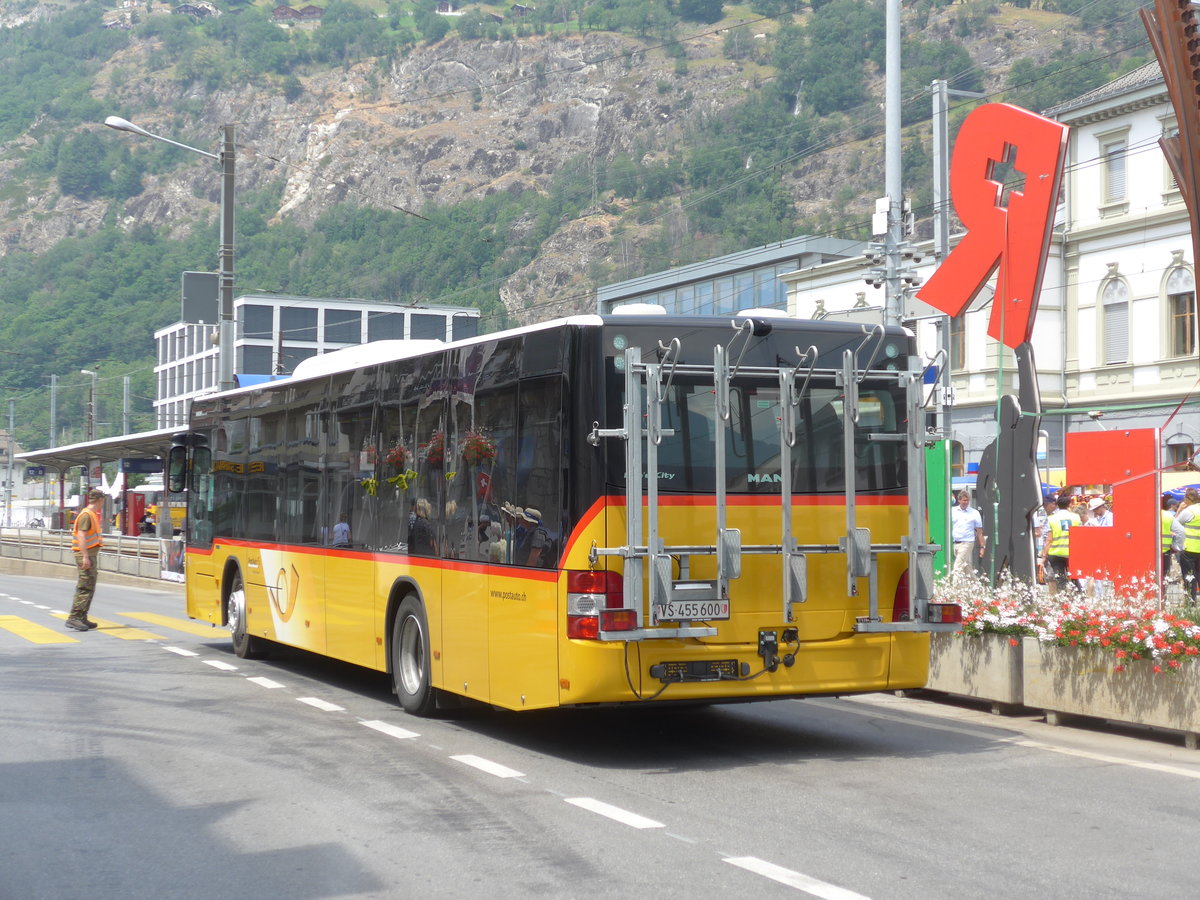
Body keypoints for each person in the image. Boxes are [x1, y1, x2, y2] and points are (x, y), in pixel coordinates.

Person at [66, 488, 106, 631]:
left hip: (89, 554)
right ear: (100, 500)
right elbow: (81, 536)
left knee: (89, 586)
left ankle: (82, 617)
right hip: (85, 555)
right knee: (85, 587)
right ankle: (75, 617)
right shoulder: (87, 515)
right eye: (102, 501)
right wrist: (85, 556)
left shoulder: (90, 514)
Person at [1040, 493, 1083, 594]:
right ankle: (1079, 598)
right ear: (1069, 504)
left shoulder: (1052, 519)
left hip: (1056, 553)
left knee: (1060, 579)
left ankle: (1063, 600)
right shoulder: (1076, 517)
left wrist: (1044, 555)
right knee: (1074, 577)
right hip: (1072, 553)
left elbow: (1049, 539)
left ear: (1057, 505)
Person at [1173, 487, 1200, 602]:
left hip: (1189, 548)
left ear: (1187, 498)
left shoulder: (1189, 511)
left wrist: (1179, 510)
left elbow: (1175, 524)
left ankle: (1191, 601)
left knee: (1189, 576)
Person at [950, 490, 984, 578]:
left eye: (967, 500)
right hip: (955, 543)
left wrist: (982, 547)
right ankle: (978, 587)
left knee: (957, 567)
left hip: (967, 543)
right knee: (966, 567)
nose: (966, 502)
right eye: (964, 500)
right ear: (959, 500)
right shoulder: (952, 511)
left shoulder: (974, 513)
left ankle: (954, 589)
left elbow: (980, 532)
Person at [1163, 496, 1180, 585]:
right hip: (1169, 545)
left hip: (1162, 545)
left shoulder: (1161, 514)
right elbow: (1179, 529)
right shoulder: (1172, 515)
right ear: (1172, 505)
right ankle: (1166, 579)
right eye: (1176, 505)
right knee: (1167, 566)